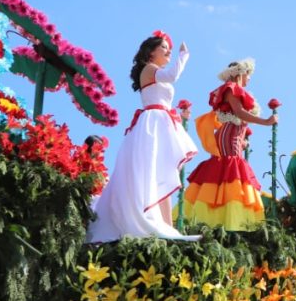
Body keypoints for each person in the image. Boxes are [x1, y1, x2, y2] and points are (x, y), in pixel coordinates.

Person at [87, 31, 198, 242]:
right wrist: (183, 56)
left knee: (164, 170)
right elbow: (173, 76)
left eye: (169, 48)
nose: (168, 51)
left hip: (162, 120)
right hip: (153, 122)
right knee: (157, 169)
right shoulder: (149, 69)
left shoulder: (154, 71)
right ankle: (160, 224)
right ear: (150, 52)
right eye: (164, 47)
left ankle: (168, 227)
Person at [182, 59, 276, 230]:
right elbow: (239, 113)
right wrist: (266, 121)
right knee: (230, 171)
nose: (249, 79)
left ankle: (223, 218)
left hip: (232, 139)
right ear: (241, 73)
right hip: (228, 139)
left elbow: (237, 118)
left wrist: (242, 141)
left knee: (231, 172)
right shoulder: (231, 89)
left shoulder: (236, 90)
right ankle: (223, 220)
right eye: (249, 74)